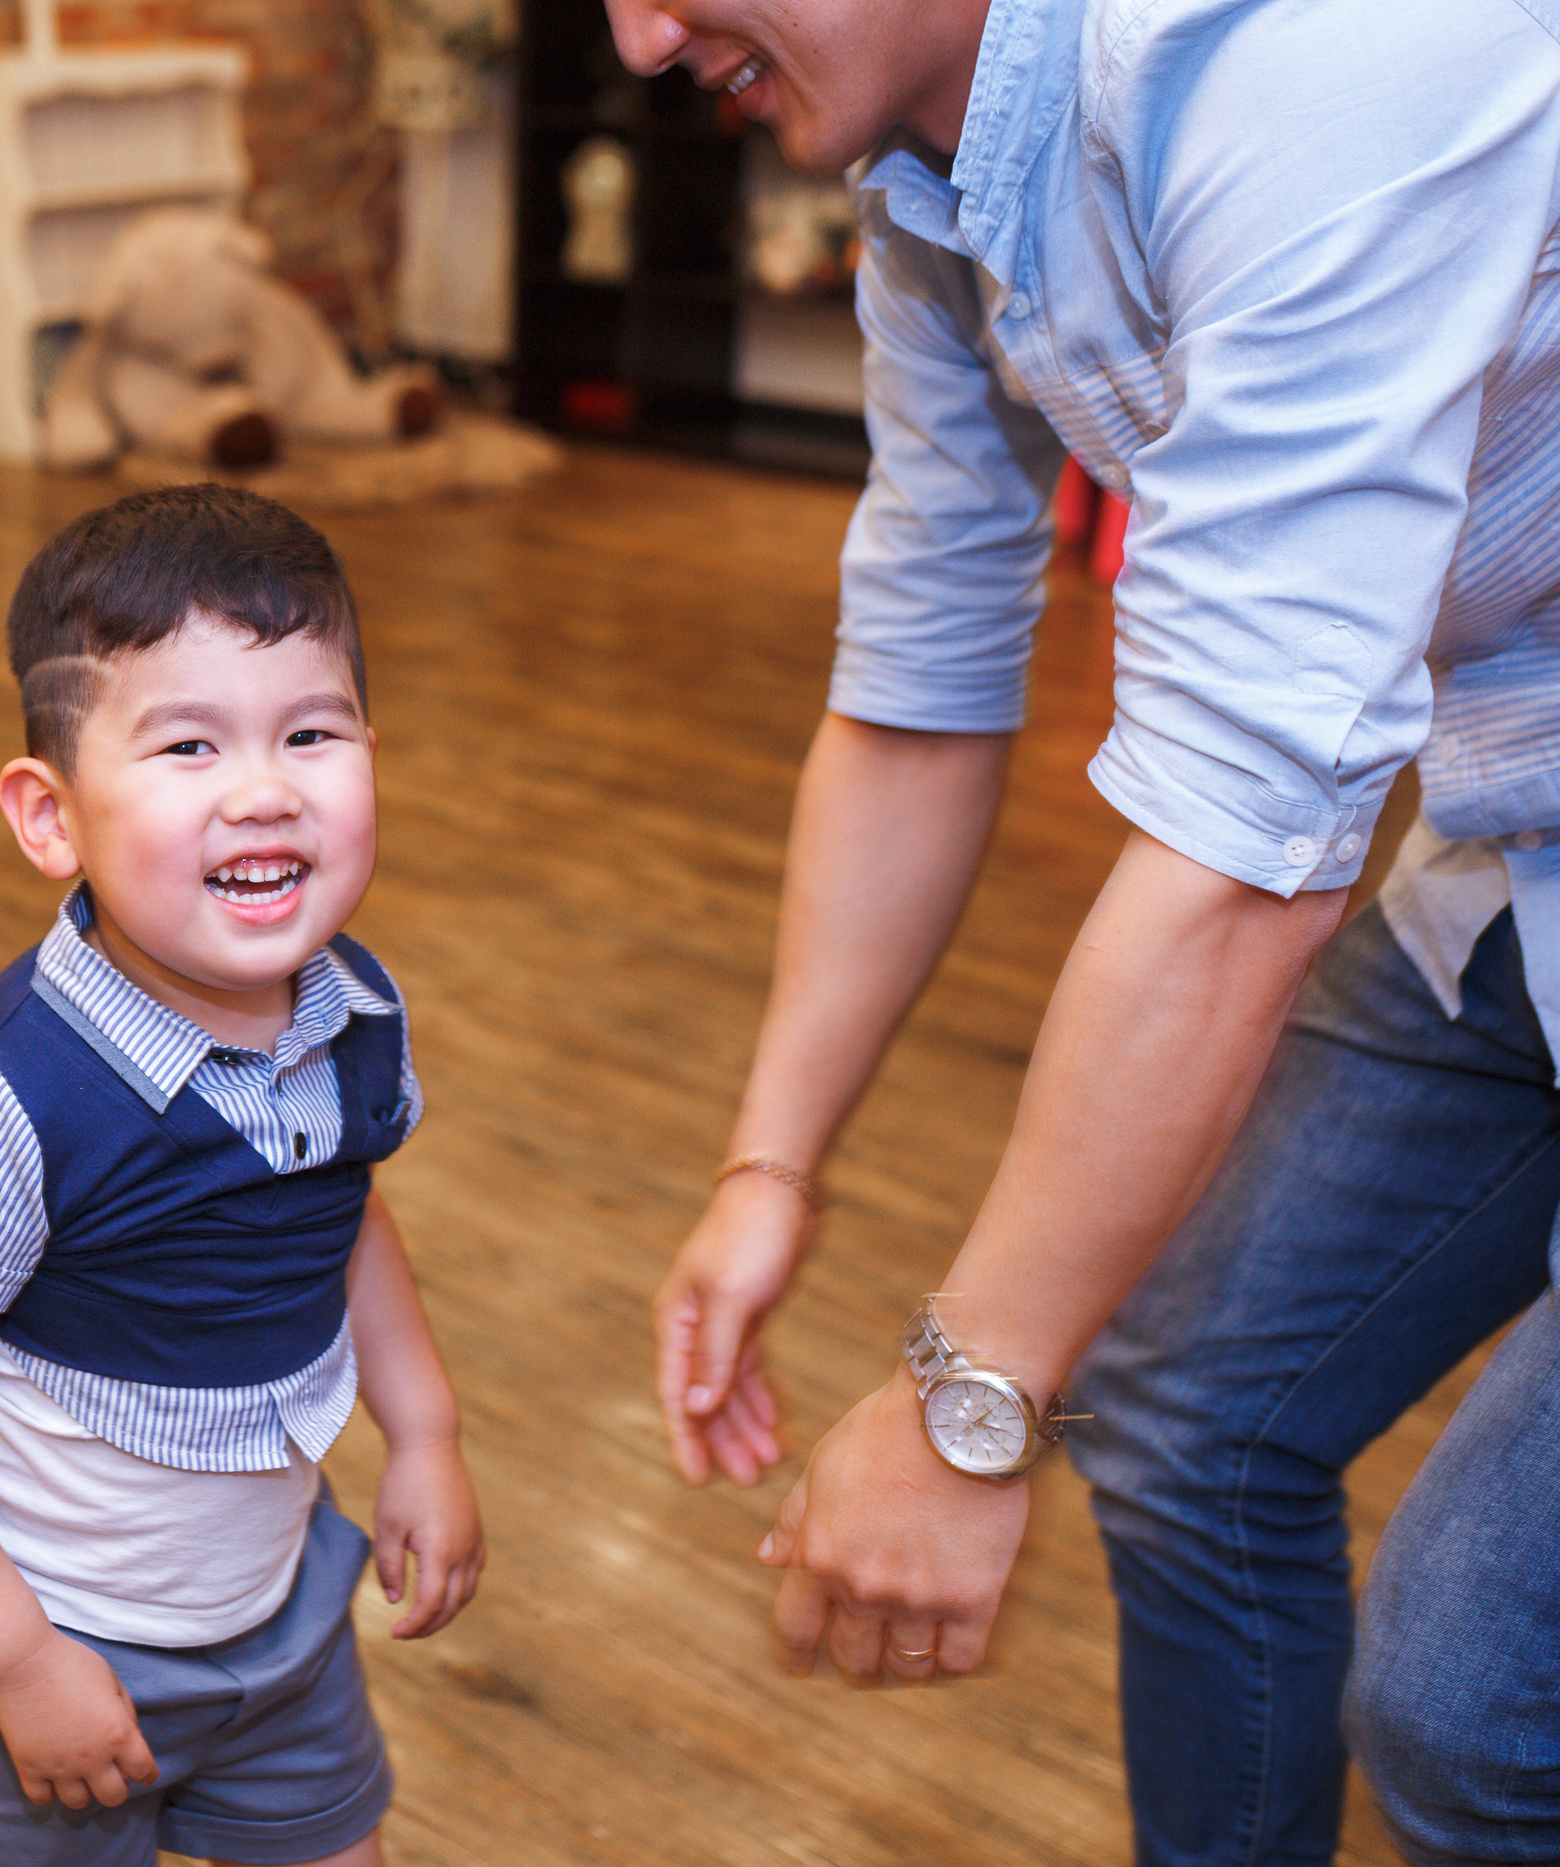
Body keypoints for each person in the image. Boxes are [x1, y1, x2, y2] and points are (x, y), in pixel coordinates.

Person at [607, 0, 1560, 1859]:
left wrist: (969, 1398)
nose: (642, 38)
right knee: (1190, 1424)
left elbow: (1247, 836)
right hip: (1513, 829)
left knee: (1473, 1711)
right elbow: (921, 679)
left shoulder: (1319, 47)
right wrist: (770, 1165)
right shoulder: (929, 184)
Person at [0, 484, 485, 1867]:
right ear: (50, 817)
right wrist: (15, 1659)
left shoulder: (349, 1010)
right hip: (57, 1637)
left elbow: (343, 1212)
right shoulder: (7, 1100)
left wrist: (425, 1430)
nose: (263, 788)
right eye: (187, 744)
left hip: (284, 1608)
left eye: (312, 730)